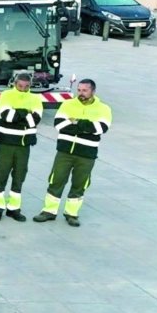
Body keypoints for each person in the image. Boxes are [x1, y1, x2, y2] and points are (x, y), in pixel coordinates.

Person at [33, 78, 112, 227]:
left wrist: (75, 121)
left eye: (85, 90)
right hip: (65, 151)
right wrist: (86, 126)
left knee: (80, 184)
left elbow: (101, 128)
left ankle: (71, 214)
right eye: (79, 90)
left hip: (87, 154)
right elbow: (60, 125)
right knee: (56, 180)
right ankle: (49, 211)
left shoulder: (104, 109)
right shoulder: (67, 104)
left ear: (93, 91)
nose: (81, 93)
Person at [0, 72, 43, 221]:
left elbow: (35, 120)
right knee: (0, 174)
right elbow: (7, 116)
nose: (23, 89)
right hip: (6, 143)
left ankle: (13, 209)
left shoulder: (35, 98)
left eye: (26, 86)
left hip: (24, 145)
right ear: (15, 84)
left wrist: (18, 114)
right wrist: (26, 113)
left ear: (30, 86)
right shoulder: (6, 96)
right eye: (20, 86)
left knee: (19, 176)